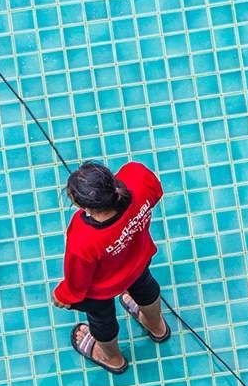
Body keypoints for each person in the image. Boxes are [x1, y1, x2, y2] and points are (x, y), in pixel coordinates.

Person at [53, 160, 171, 374]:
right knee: (146, 288)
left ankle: (112, 358)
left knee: (102, 320)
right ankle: (157, 327)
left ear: (84, 206)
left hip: (101, 290)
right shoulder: (137, 178)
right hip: (138, 261)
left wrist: (63, 296)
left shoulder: (83, 237)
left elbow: (78, 280)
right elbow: (155, 191)